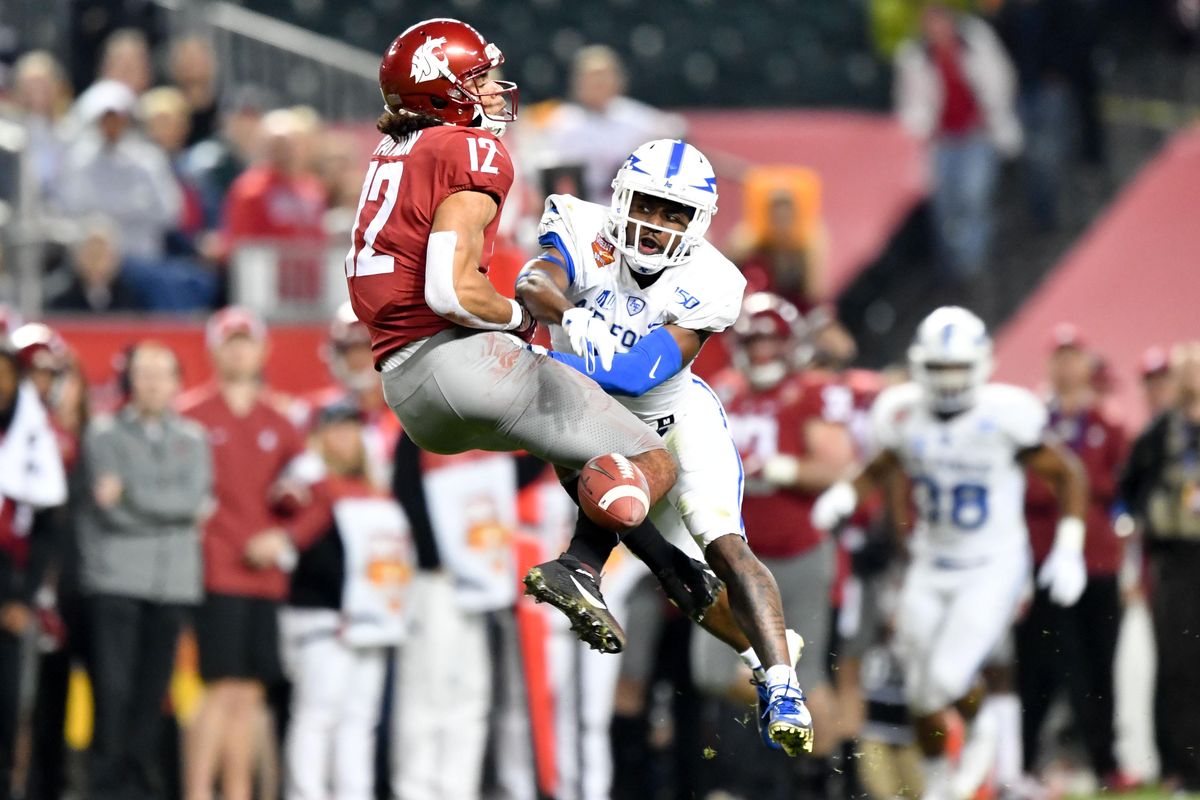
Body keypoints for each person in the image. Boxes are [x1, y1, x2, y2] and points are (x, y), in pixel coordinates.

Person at [343, 19, 694, 670]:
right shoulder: (468, 148)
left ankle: (662, 572)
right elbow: (451, 292)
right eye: (478, 79)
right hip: (458, 358)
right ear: (440, 90)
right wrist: (522, 320)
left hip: (407, 392)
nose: (497, 91)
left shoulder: (392, 154)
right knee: (655, 454)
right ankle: (589, 566)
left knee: (577, 439)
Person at [515, 139, 814, 756]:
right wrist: (562, 304)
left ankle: (783, 683)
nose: (657, 226)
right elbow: (534, 280)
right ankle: (586, 571)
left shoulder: (713, 280)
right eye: (649, 205)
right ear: (622, 199)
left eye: (676, 215)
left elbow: (637, 373)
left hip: (676, 416)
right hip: (595, 415)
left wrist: (566, 332)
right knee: (677, 579)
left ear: (698, 226)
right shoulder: (582, 223)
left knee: (724, 546)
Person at [811, 306, 1088, 800]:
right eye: (940, 369)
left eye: (958, 368)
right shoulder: (902, 412)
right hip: (929, 562)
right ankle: (939, 781)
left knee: (944, 677)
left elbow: (1068, 475)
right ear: (921, 366)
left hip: (992, 565)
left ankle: (981, 726)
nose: (950, 381)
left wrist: (1069, 547)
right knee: (920, 691)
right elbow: (881, 465)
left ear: (981, 365)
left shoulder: (1004, 415)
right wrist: (845, 495)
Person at [693, 292, 856, 774]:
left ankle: (820, 782)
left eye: (771, 344)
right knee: (711, 672)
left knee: (808, 677)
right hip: (734, 555)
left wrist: (782, 468)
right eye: (754, 343)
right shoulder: (721, 389)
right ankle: (782, 702)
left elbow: (836, 466)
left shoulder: (809, 391)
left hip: (796, 555)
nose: (762, 354)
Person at [179, 307, 306, 800]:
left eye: (246, 341)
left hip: (265, 574)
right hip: (214, 570)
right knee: (219, 688)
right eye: (229, 342)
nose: (238, 351)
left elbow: (309, 491)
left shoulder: (282, 419)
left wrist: (284, 537)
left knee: (251, 691)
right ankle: (198, 791)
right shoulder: (192, 416)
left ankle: (236, 792)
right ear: (214, 350)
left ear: (263, 350)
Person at [77, 341, 212, 800]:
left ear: (177, 382)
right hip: (116, 579)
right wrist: (172, 511)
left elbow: (193, 499)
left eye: (162, 372)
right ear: (128, 380)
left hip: (172, 583)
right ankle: (106, 787)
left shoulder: (194, 438)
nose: (153, 381)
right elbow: (110, 512)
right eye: (144, 372)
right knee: (112, 691)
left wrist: (130, 495)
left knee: (154, 693)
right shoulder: (102, 433)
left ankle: (139, 785)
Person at [279, 403, 411, 800]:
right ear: (317, 437)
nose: (346, 438)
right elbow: (295, 543)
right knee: (317, 716)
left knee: (360, 719)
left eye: (352, 429)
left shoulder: (376, 491)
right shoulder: (306, 483)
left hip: (372, 620)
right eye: (335, 430)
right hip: (322, 617)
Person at [1017, 324, 1130, 787]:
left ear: (1086, 364)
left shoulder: (1107, 423)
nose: (1066, 367)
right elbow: (1027, 486)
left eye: (1072, 357)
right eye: (1058, 357)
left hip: (1098, 559)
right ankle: (1026, 762)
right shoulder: (1030, 422)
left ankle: (1105, 762)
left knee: (1101, 662)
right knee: (1041, 664)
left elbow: (1122, 489)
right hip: (1041, 558)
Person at [1118, 341, 1200, 792]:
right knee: (1180, 662)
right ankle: (1184, 768)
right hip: (1174, 557)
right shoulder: (1159, 436)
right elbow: (1126, 494)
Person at [894, 3, 1021, 281]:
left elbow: (999, 80)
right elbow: (910, 106)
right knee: (945, 206)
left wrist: (994, 115)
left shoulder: (976, 40)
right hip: (942, 141)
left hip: (976, 134)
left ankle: (972, 262)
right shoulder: (914, 58)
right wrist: (921, 126)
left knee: (974, 195)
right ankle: (952, 263)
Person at [0, 337, 68, 800]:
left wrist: (18, 599)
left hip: (11, 593)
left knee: (8, 712)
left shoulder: (32, 435)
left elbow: (46, 523)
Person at [533, 45, 685, 204]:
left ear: (619, 79)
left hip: (627, 210)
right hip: (580, 211)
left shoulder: (634, 117)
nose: (599, 83)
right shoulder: (562, 122)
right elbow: (542, 176)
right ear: (577, 82)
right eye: (592, 77)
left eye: (605, 76)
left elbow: (677, 131)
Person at [58, 80, 182, 261]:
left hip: (142, 257)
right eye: (106, 119)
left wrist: (109, 211)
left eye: (117, 118)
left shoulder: (149, 160)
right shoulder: (79, 161)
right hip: (93, 263)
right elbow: (70, 210)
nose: (112, 125)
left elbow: (169, 213)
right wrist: (131, 207)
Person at [47, 217, 145, 313]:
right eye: (92, 255)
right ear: (78, 258)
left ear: (116, 258)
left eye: (102, 255)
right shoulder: (61, 302)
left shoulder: (134, 300)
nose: (97, 263)